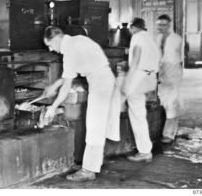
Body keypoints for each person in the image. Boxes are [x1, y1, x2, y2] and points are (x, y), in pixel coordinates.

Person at [41, 26, 121, 182]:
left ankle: (88, 170)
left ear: (56, 38)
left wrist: (53, 106)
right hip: (107, 79)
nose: (51, 49)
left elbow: (66, 86)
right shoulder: (78, 40)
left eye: (50, 45)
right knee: (97, 126)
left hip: (100, 84)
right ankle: (92, 163)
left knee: (94, 127)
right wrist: (53, 86)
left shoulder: (69, 50)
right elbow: (68, 74)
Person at [122, 18, 160, 162]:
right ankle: (145, 149)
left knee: (137, 115)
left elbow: (136, 60)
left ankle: (144, 151)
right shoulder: (150, 38)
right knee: (140, 113)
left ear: (132, 28)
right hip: (150, 77)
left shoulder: (136, 37)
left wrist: (127, 81)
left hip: (139, 77)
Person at [156, 14, 183, 143]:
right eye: (159, 24)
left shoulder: (177, 39)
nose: (160, 27)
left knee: (172, 103)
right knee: (162, 101)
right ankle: (162, 130)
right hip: (161, 72)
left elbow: (181, 58)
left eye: (163, 24)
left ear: (169, 25)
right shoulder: (158, 38)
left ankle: (169, 134)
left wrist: (175, 75)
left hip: (173, 73)